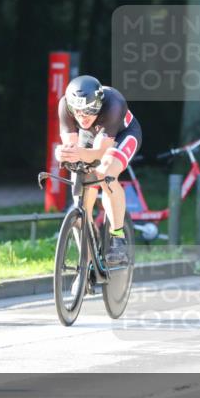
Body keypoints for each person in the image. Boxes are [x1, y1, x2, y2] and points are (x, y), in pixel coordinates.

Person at [54, 75, 141, 266]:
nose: (83, 117)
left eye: (89, 112)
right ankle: (86, 264)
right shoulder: (65, 105)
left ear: (98, 105)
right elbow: (71, 147)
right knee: (81, 203)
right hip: (89, 139)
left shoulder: (113, 103)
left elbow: (101, 152)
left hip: (121, 136)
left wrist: (78, 154)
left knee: (105, 173)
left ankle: (117, 236)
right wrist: (64, 153)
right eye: (78, 112)